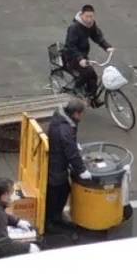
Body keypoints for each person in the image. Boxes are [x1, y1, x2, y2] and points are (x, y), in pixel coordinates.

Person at [45, 98, 91, 229]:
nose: (82, 116)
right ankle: (51, 221)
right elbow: (71, 153)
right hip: (57, 164)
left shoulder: (63, 118)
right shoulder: (64, 130)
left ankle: (55, 216)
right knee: (58, 192)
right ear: (76, 113)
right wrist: (82, 170)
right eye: (81, 113)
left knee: (62, 190)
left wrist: (73, 142)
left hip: (56, 159)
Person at [61, 4, 113, 98]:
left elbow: (96, 36)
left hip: (83, 55)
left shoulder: (90, 24)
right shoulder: (74, 28)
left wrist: (107, 46)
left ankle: (91, 97)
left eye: (91, 16)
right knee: (88, 72)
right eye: (87, 16)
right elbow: (70, 46)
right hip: (72, 56)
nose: (89, 19)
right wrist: (80, 59)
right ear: (81, 15)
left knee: (93, 77)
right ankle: (75, 89)